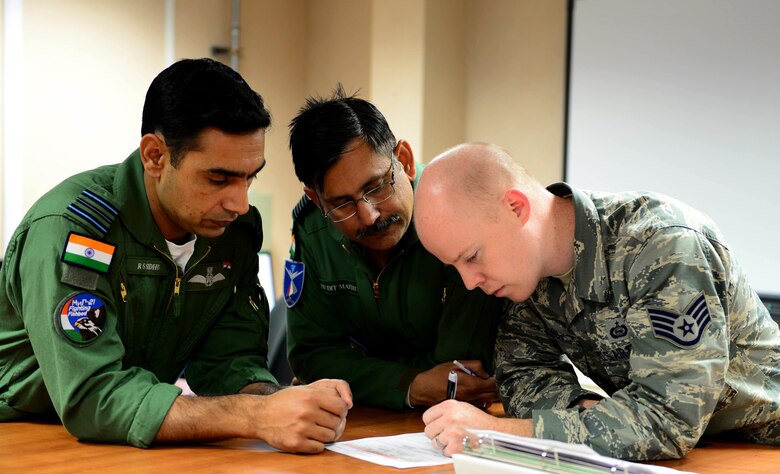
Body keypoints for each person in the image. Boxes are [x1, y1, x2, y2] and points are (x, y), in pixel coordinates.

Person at [0, 58, 351, 453]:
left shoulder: (230, 233)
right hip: (26, 433)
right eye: (218, 179)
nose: (239, 202)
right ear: (155, 157)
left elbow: (228, 361)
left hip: (134, 437)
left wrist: (276, 400)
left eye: (250, 176)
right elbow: (92, 396)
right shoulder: (73, 230)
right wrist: (253, 416)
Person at [414, 143, 780, 460]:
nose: (470, 281)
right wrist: (597, 419)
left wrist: (499, 432)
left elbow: (667, 420)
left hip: (764, 445)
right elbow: (522, 378)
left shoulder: (661, 246)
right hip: (692, 453)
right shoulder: (525, 276)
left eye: (473, 256)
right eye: (455, 266)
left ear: (515, 207)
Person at [284, 86, 504, 410]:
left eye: (375, 187)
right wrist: (411, 385)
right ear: (317, 200)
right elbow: (313, 357)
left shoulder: (460, 213)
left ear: (404, 161)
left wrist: (358, 371)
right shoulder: (312, 231)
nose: (369, 215)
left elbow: (462, 373)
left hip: (461, 423)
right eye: (342, 203)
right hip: (364, 428)